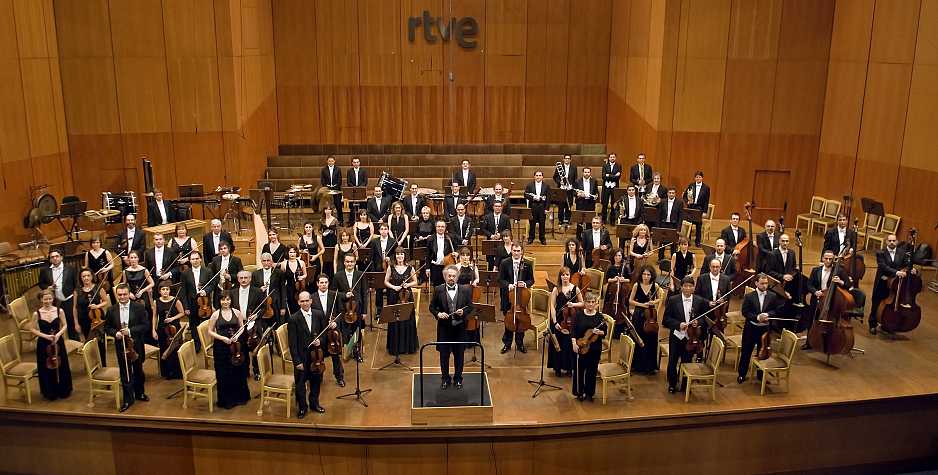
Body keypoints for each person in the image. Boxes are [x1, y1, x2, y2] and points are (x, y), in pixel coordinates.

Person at [105, 284, 149, 411]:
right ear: (116, 295)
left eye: (125, 294)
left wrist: (129, 331)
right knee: (125, 372)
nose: (122, 297)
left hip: (136, 344)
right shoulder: (111, 310)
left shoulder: (139, 308)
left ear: (129, 294)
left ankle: (140, 393)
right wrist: (115, 333)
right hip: (121, 345)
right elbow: (107, 327)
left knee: (138, 369)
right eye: (120, 295)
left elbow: (145, 325)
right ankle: (128, 399)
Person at [429, 265, 474, 389]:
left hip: (460, 329)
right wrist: (438, 314)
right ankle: (445, 379)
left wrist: (463, 312)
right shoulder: (438, 289)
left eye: (454, 276)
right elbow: (431, 307)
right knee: (444, 355)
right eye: (449, 276)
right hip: (444, 328)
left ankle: (458, 379)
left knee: (459, 355)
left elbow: (470, 307)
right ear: (445, 277)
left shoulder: (465, 290)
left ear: (457, 278)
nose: (451, 278)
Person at [663, 276, 709, 394]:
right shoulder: (673, 300)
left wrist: (698, 322)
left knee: (687, 360)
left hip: (691, 337)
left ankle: (684, 384)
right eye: (685, 286)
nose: (688, 288)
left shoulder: (699, 300)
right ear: (681, 287)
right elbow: (666, 320)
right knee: (673, 361)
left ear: (694, 288)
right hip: (677, 336)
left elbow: (704, 318)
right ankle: (672, 384)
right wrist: (678, 324)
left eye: (690, 286)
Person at [289, 291, 329, 417]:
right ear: (298, 302)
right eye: (302, 301)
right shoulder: (293, 318)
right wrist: (297, 361)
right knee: (300, 384)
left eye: (307, 300)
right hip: (302, 358)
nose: (305, 303)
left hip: (316, 356)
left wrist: (320, 341)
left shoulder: (319, 314)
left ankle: (314, 404)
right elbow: (292, 343)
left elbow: (324, 334)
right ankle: (302, 408)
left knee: (316, 381)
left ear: (311, 301)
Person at [207, 293, 250, 409]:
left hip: (236, 346)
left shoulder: (237, 312)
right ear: (219, 301)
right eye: (223, 300)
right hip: (221, 347)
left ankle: (240, 398)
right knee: (224, 373)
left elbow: (242, 327)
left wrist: (237, 336)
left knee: (238, 370)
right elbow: (210, 331)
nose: (225, 302)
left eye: (227, 299)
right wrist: (223, 338)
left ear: (231, 300)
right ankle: (227, 400)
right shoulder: (215, 314)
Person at [869, 234, 916, 335]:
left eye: (894, 241)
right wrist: (896, 272)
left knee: (892, 303)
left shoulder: (901, 252)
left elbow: (906, 264)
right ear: (886, 242)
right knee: (876, 303)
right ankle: (872, 324)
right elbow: (883, 266)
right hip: (882, 281)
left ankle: (887, 324)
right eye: (890, 241)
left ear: (897, 242)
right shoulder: (881, 252)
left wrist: (911, 268)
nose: (892, 242)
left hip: (894, 283)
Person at [737, 273, 779, 383]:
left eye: (766, 283)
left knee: (763, 353)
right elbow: (745, 312)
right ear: (756, 283)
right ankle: (742, 374)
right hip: (751, 329)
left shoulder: (772, 296)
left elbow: (775, 310)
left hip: (764, 330)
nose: (765, 286)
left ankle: (761, 376)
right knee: (746, 352)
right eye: (762, 283)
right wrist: (757, 317)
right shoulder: (749, 296)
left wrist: (768, 315)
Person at [31, 289, 73, 401]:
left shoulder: (59, 311)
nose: (48, 301)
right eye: (45, 299)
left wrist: (58, 334)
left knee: (62, 364)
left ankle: (63, 390)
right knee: (46, 367)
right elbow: (32, 329)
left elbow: (65, 325)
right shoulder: (37, 314)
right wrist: (46, 336)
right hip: (44, 343)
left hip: (58, 341)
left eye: (50, 299)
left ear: (53, 299)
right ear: (41, 300)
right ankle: (50, 391)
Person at [229, 270, 267, 380]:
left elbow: (263, 307)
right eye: (241, 278)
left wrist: (257, 315)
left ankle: (256, 370)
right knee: (242, 349)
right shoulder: (232, 292)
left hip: (253, 325)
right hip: (239, 325)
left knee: (255, 349)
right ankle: (245, 371)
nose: (243, 280)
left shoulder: (258, 291)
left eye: (246, 278)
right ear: (238, 279)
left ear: (250, 279)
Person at [309, 275, 346, 386]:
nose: (324, 284)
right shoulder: (312, 297)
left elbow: (341, 311)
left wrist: (336, 322)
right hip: (319, 331)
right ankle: (319, 375)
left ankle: (339, 376)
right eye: (321, 282)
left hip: (332, 331)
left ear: (328, 283)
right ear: (317, 284)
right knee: (319, 355)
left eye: (325, 282)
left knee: (335, 355)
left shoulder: (334, 295)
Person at [570, 292, 606, 402]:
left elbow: (604, 332)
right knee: (579, 370)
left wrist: (599, 332)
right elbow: (573, 330)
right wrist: (574, 343)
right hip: (580, 346)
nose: (590, 304)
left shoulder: (600, 317)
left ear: (596, 303)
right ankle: (579, 392)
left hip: (594, 348)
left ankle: (590, 393)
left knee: (592, 371)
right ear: (584, 303)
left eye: (593, 302)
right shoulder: (578, 315)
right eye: (588, 302)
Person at [384, 248, 420, 355]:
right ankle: (395, 347)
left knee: (407, 319)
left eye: (402, 254)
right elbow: (385, 281)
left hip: (406, 296)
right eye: (398, 254)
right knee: (395, 320)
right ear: (395, 256)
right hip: (394, 296)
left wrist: (407, 285)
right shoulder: (391, 267)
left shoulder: (410, 268)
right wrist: (394, 287)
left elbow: (415, 281)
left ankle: (407, 347)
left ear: (405, 256)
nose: (400, 256)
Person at [499, 243, 533, 353]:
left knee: (521, 320)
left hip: (521, 297)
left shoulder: (527, 264)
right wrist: (508, 285)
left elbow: (531, 280)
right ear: (511, 251)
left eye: (518, 251)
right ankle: (507, 344)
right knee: (508, 321)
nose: (516, 253)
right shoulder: (504, 263)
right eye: (514, 251)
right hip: (508, 297)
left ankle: (520, 343)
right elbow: (500, 279)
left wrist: (525, 284)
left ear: (522, 251)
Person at [548, 267, 583, 377]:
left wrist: (573, 304)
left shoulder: (575, 289)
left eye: (567, 274)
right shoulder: (556, 289)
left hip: (571, 320)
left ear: (570, 275)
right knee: (559, 343)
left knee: (569, 344)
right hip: (559, 319)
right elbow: (552, 306)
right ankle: (557, 367)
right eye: (563, 275)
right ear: (560, 276)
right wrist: (555, 322)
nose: (565, 277)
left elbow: (582, 303)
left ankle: (569, 368)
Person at [38, 249, 79, 340]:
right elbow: (41, 284)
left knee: (70, 321)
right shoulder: (44, 270)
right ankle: (58, 342)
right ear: (50, 259)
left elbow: (76, 284)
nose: (55, 258)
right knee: (55, 323)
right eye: (52, 257)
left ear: (61, 257)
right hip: (54, 301)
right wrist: (48, 287)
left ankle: (75, 342)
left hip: (68, 299)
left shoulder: (70, 268)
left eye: (57, 256)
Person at [333, 254, 366, 363]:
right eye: (347, 261)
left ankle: (357, 351)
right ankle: (347, 351)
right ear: (344, 262)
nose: (349, 264)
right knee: (346, 331)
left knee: (357, 331)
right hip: (344, 309)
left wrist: (364, 311)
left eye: (351, 261)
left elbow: (364, 293)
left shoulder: (360, 274)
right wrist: (344, 295)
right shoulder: (338, 276)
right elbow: (333, 293)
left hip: (357, 309)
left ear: (355, 262)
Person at [629, 265, 662, 374]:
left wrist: (653, 302)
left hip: (651, 315)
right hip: (639, 314)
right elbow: (630, 301)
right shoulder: (636, 285)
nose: (646, 276)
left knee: (650, 339)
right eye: (644, 274)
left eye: (648, 274)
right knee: (639, 338)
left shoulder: (655, 285)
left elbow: (660, 298)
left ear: (652, 276)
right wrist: (642, 305)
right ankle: (638, 366)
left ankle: (650, 366)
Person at [74, 268, 110, 364]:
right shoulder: (77, 291)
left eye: (88, 275)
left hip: (98, 319)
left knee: (100, 343)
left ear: (92, 276)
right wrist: (76, 323)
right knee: (89, 344)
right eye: (83, 276)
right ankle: (92, 365)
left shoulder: (98, 288)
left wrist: (97, 306)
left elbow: (106, 301)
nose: (86, 278)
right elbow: (74, 308)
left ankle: (103, 364)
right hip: (84, 320)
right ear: (81, 278)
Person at [182, 251, 214, 352]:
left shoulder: (207, 271)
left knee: (206, 324)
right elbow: (183, 291)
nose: (195, 261)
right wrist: (186, 307)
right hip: (191, 303)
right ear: (190, 261)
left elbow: (212, 285)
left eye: (197, 258)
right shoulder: (185, 273)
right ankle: (197, 344)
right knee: (193, 325)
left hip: (205, 303)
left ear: (200, 259)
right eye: (192, 259)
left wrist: (206, 291)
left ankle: (207, 343)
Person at [153, 281, 184, 379]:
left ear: (170, 290)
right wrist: (153, 330)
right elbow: (154, 316)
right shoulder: (156, 302)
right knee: (164, 348)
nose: (165, 291)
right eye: (163, 289)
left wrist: (172, 318)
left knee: (175, 349)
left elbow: (182, 313)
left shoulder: (176, 300)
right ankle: (167, 372)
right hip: (162, 328)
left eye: (167, 289)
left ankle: (177, 372)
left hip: (174, 328)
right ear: (159, 291)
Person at [604, 249, 631, 339]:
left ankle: (620, 331)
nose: (617, 257)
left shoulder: (625, 268)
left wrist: (623, 279)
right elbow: (607, 279)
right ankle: (609, 330)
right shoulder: (611, 267)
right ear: (613, 257)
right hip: (612, 292)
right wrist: (614, 279)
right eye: (616, 256)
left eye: (619, 255)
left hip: (622, 293)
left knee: (622, 309)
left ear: (622, 257)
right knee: (609, 308)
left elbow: (629, 279)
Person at [121, 250, 155, 318]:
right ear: (129, 259)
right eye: (131, 258)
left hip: (143, 295)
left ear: (138, 259)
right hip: (132, 295)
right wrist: (129, 293)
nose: (133, 259)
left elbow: (152, 283)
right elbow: (124, 284)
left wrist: (142, 291)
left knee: (146, 313)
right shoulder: (125, 271)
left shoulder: (144, 270)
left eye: (135, 257)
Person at [369, 223, 395, 311]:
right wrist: (373, 272)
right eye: (382, 229)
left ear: (388, 230)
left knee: (390, 290)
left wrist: (390, 258)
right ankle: (379, 310)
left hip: (389, 270)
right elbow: (371, 258)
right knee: (379, 290)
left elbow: (395, 255)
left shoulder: (393, 241)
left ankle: (389, 309)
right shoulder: (374, 241)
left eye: (385, 229)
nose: (384, 231)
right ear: (379, 231)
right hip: (378, 269)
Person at [252, 252, 284, 324]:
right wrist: (260, 289)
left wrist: (283, 307)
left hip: (276, 304)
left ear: (271, 261)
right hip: (261, 304)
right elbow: (252, 290)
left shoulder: (279, 273)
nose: (266, 263)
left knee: (276, 325)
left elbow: (283, 290)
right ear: (261, 262)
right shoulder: (255, 274)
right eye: (264, 261)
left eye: (268, 260)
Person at [211, 242, 243, 307]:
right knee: (218, 306)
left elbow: (241, 274)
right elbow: (212, 273)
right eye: (221, 249)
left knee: (232, 305)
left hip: (232, 288)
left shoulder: (236, 260)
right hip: (219, 288)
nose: (223, 250)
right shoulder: (215, 260)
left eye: (225, 248)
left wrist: (230, 276)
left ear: (229, 249)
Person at [683, 171, 710, 247]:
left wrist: (704, 212)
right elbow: (684, 196)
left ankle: (697, 242)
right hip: (690, 207)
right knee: (689, 224)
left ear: (702, 178)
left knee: (698, 225)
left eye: (699, 177)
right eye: (697, 177)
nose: (698, 178)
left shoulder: (706, 188)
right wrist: (687, 201)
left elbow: (706, 201)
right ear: (695, 178)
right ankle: (688, 240)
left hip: (699, 208)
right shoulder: (691, 185)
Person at [427, 220, 456, 287]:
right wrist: (427, 268)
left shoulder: (450, 238)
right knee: (437, 287)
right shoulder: (430, 239)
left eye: (442, 226)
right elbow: (428, 255)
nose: (440, 228)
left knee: (448, 286)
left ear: (445, 228)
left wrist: (456, 253)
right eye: (439, 226)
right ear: (436, 227)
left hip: (447, 266)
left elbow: (456, 248)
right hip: (435, 267)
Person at [279, 245, 307, 315]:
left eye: (294, 252)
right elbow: (282, 278)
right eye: (290, 252)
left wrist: (302, 277)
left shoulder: (301, 262)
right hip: (289, 288)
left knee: (299, 306)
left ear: (296, 253)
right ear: (287, 253)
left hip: (299, 288)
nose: (292, 254)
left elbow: (305, 274)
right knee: (291, 306)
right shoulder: (284, 264)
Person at [524, 171, 550, 245]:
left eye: (540, 175)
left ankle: (542, 238)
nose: (538, 177)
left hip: (542, 207)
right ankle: (531, 238)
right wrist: (533, 198)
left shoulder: (546, 186)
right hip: (533, 206)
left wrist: (546, 209)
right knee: (532, 223)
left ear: (542, 177)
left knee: (542, 223)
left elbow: (548, 198)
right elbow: (525, 195)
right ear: (534, 176)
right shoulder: (529, 185)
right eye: (537, 175)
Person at [657, 188, 683, 260]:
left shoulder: (679, 202)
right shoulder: (662, 201)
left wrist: (678, 229)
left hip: (673, 225)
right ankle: (660, 258)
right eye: (670, 193)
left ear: (675, 194)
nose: (671, 194)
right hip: (663, 224)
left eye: (673, 193)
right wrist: (658, 227)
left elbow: (680, 216)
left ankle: (673, 258)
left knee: (673, 244)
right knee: (662, 242)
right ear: (667, 193)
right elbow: (659, 215)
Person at [615, 185, 642, 250]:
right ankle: (621, 254)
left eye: (633, 190)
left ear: (635, 191)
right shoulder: (622, 198)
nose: (631, 191)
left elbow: (642, 212)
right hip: (625, 221)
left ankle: (633, 254)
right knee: (622, 239)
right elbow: (616, 209)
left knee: (635, 240)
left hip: (635, 222)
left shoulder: (639, 200)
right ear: (627, 191)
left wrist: (639, 222)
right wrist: (620, 215)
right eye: (629, 190)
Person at [553, 154, 576, 225]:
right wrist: (559, 182)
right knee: (561, 205)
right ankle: (560, 220)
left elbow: (575, 178)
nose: (567, 160)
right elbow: (555, 177)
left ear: (570, 160)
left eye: (568, 158)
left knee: (569, 205)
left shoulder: (574, 167)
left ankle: (568, 219)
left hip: (569, 189)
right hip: (561, 189)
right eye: (566, 158)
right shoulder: (559, 167)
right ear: (563, 159)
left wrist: (571, 185)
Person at [600, 153, 621, 224]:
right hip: (606, 187)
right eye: (611, 157)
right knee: (605, 204)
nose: (612, 158)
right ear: (609, 158)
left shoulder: (618, 166)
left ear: (615, 158)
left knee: (613, 204)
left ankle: (612, 220)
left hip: (614, 188)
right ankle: (603, 220)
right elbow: (603, 177)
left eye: (613, 157)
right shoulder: (605, 165)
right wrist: (614, 175)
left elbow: (618, 177)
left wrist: (608, 175)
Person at [320, 155, 343, 221]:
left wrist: (334, 187)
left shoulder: (338, 169)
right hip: (327, 191)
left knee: (338, 206)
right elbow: (323, 181)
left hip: (336, 190)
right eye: (329, 161)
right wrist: (328, 188)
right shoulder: (323, 170)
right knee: (327, 206)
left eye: (332, 161)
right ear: (327, 161)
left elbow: (339, 180)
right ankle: (326, 220)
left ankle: (341, 220)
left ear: (334, 161)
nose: (331, 162)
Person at [319, 207, 340, 277]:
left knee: (332, 257)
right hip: (325, 240)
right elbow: (319, 230)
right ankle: (325, 275)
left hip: (333, 240)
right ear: (324, 211)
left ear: (331, 210)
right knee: (325, 257)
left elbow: (338, 232)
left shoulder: (335, 220)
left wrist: (338, 242)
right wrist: (323, 233)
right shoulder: (322, 220)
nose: (327, 211)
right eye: (326, 209)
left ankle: (332, 275)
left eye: (329, 209)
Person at [346, 156, 368, 220]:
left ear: (359, 163)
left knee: (362, 206)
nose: (356, 163)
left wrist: (359, 188)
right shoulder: (349, 171)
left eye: (357, 162)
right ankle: (352, 221)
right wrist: (354, 187)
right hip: (352, 192)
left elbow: (365, 181)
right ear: (352, 163)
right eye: (354, 162)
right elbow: (348, 182)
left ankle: (361, 220)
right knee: (352, 207)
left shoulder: (363, 171)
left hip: (361, 191)